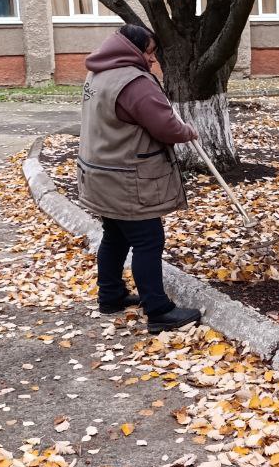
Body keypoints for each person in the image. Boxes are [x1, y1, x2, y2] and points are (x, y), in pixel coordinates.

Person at [77, 23, 203, 332]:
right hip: (127, 179)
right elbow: (166, 128)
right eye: (148, 53)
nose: (152, 60)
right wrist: (187, 130)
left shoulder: (98, 74)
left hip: (100, 174)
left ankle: (110, 296)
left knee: (115, 234)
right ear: (131, 50)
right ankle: (158, 311)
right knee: (149, 239)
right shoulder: (134, 82)